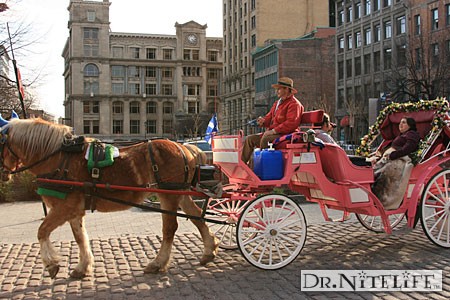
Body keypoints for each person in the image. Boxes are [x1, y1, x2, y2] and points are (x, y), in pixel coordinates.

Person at [241, 77, 304, 164]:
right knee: (249, 139)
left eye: (279, 89)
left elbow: (291, 123)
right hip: (274, 133)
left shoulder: (294, 104)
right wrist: (263, 121)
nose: (276, 91)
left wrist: (274, 131)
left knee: (265, 139)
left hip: (286, 135)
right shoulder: (277, 103)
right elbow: (269, 117)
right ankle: (242, 165)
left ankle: (261, 166)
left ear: (286, 89)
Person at [372, 117, 420, 210]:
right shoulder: (402, 135)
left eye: (404, 123)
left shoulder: (412, 134)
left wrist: (392, 155)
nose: (400, 125)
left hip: (399, 161)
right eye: (400, 123)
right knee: (373, 171)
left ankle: (384, 200)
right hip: (391, 158)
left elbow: (407, 149)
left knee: (383, 174)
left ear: (410, 125)